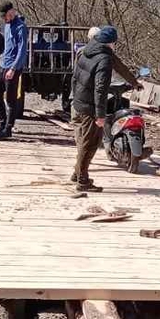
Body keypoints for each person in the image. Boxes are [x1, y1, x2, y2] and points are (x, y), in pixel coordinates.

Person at [69, 25, 116, 193]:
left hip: (80, 102)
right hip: (90, 107)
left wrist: (76, 99)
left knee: (84, 141)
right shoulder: (104, 58)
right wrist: (100, 115)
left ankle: (77, 172)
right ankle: (82, 180)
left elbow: (75, 77)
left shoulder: (85, 51)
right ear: (111, 43)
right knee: (90, 143)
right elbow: (101, 89)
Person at [0, 2, 27, 139]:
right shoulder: (6, 25)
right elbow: (7, 46)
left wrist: (13, 68)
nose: (4, 19)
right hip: (3, 65)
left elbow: (22, 51)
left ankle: (8, 129)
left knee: (11, 100)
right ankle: (2, 123)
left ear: (11, 12)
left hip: (13, 68)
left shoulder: (21, 27)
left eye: (5, 16)